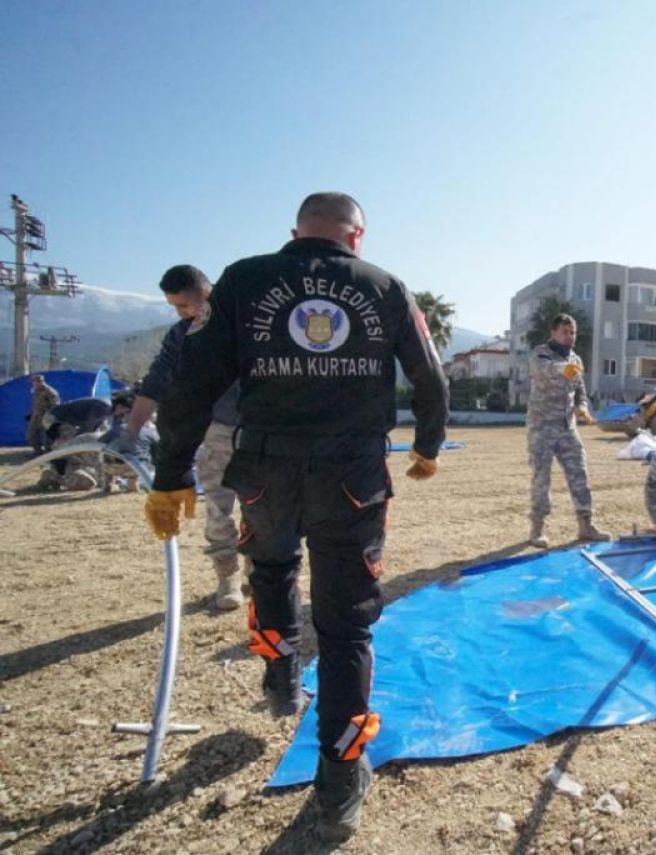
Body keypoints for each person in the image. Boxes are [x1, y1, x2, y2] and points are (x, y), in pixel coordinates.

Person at [144, 192, 449, 843]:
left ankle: (280, 674)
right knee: (345, 628)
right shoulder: (384, 285)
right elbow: (430, 376)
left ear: (296, 233)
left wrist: (170, 474)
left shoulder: (245, 279)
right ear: (356, 237)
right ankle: (340, 781)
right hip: (352, 479)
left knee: (272, 569)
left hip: (264, 474)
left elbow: (192, 382)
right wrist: (427, 443)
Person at [113, 264, 247, 610]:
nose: (183, 313)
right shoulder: (182, 335)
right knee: (219, 507)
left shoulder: (247, 320)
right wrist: (132, 431)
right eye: (175, 307)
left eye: (187, 304)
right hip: (216, 432)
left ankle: (260, 576)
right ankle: (227, 575)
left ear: (208, 292)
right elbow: (156, 382)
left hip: (261, 431)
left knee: (264, 510)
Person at [526, 313, 611, 547]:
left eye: (572, 332)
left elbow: (580, 391)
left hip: (567, 427)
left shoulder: (577, 360)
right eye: (564, 332)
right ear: (553, 333)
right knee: (541, 476)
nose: (569, 336)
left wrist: (582, 408)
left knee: (579, 472)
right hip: (542, 427)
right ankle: (537, 528)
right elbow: (545, 369)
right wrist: (563, 368)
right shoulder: (540, 353)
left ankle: (586, 525)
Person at [25, 374, 60, 454]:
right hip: (36, 416)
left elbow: (55, 405)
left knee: (46, 437)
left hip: (46, 417)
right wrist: (31, 413)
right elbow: (36, 404)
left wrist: (49, 415)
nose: (33, 384)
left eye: (34, 382)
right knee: (30, 435)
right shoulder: (36, 390)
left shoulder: (50, 392)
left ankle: (48, 454)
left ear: (39, 382)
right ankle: (38, 452)